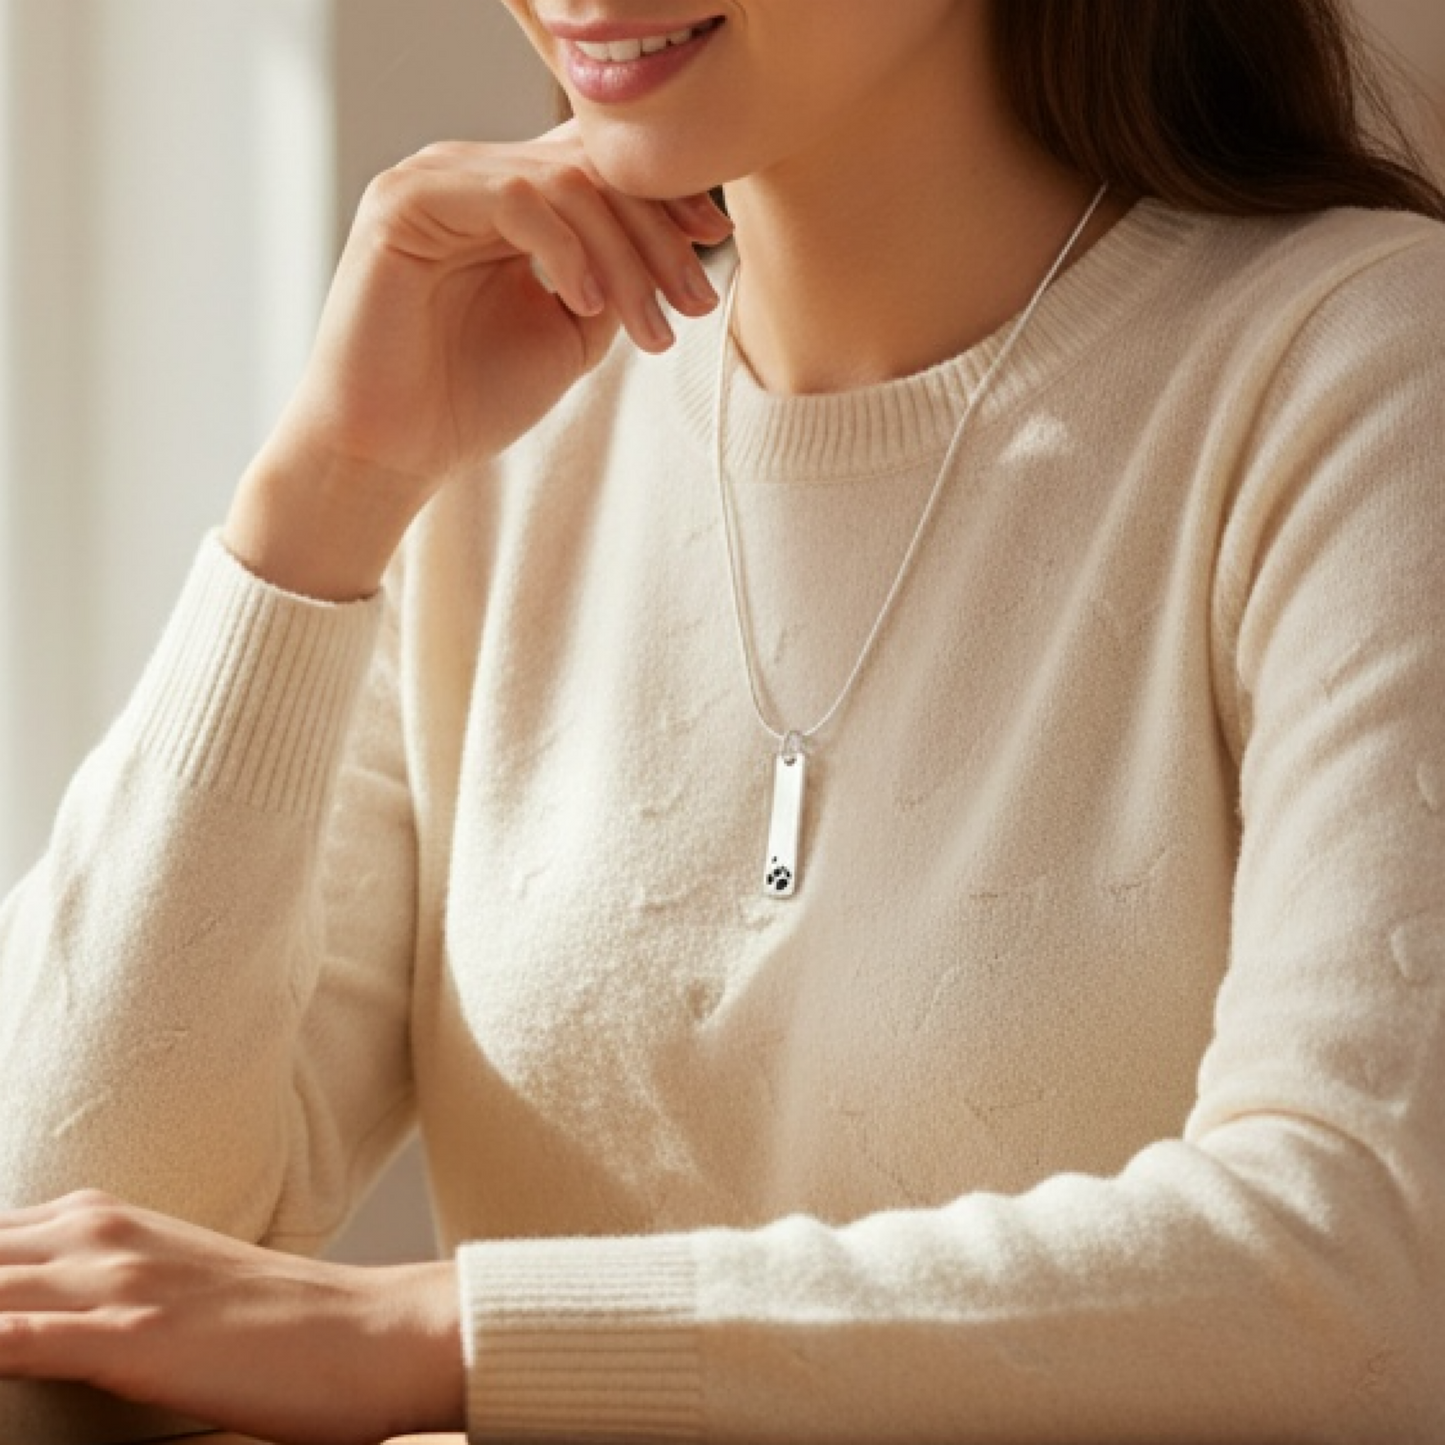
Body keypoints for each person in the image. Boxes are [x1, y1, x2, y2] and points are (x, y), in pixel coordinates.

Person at [2, 0, 1444, 1441]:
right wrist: (326, 493)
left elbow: (1366, 1268)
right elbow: (59, 1238)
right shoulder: (509, 426)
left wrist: (443, 1333)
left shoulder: (1366, 375)